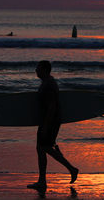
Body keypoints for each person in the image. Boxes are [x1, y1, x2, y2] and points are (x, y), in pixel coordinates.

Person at [27, 61, 78, 190]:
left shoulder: (49, 85)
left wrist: (46, 125)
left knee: (45, 148)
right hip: (47, 120)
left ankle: (71, 169)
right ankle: (42, 181)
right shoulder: (47, 82)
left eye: (38, 68)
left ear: (44, 69)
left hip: (50, 121)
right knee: (41, 148)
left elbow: (52, 107)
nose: (35, 70)